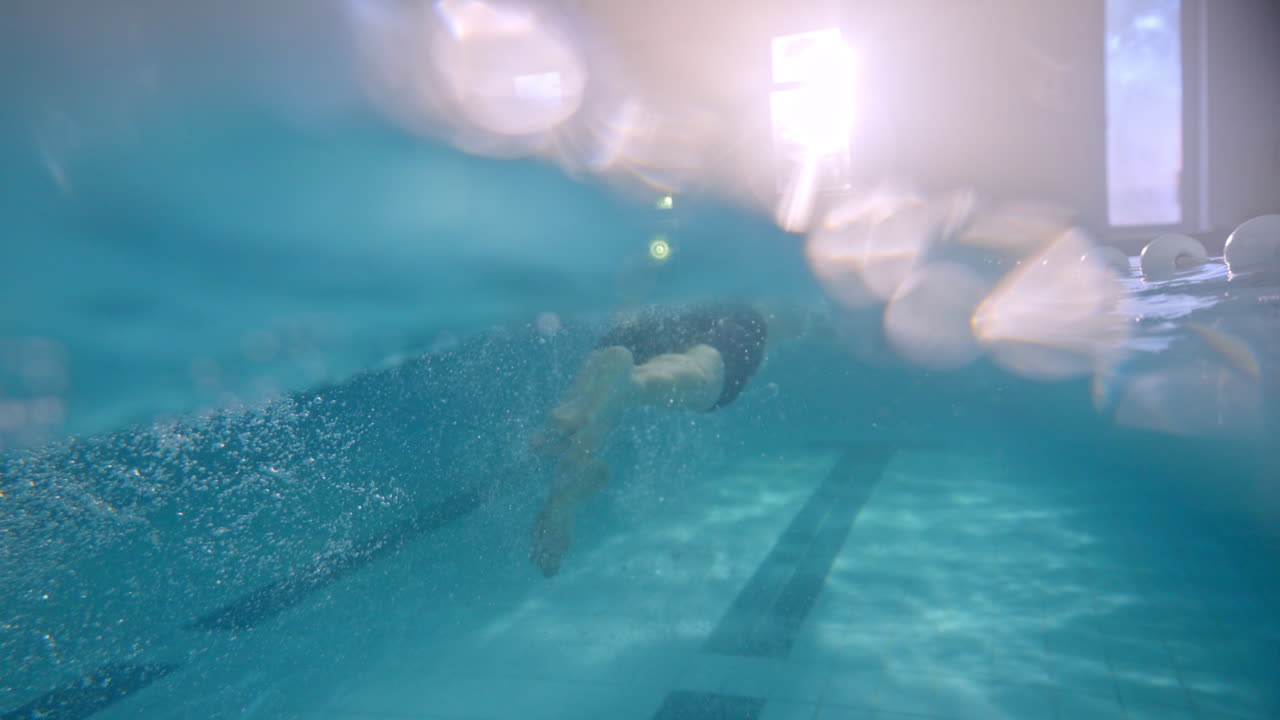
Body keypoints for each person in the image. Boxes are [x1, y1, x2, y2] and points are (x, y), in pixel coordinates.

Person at [527, 300, 817, 577]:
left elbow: (630, 300)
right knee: (699, 370)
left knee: (590, 397)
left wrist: (624, 330)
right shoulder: (791, 299)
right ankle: (633, 384)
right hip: (742, 313)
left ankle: (568, 479)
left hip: (651, 317)